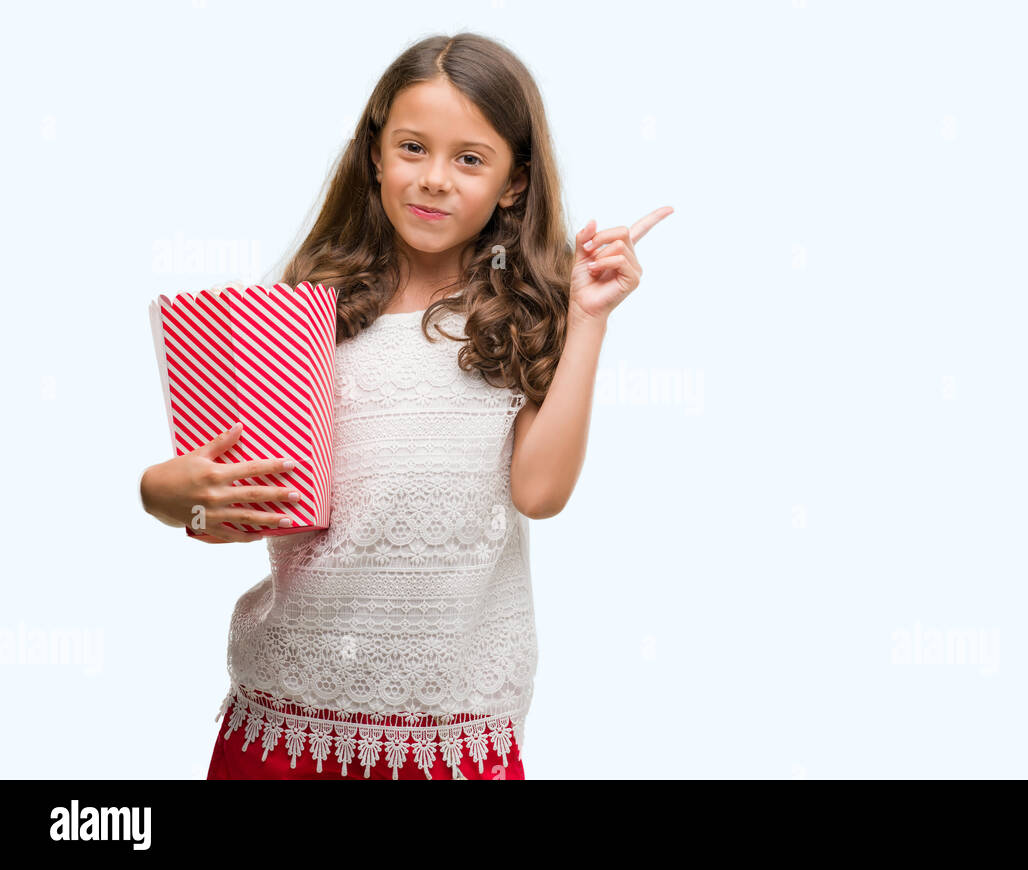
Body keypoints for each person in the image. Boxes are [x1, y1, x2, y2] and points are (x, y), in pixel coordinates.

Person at [138, 31, 672, 779]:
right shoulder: (309, 313)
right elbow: (240, 504)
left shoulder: (520, 318)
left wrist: (588, 319)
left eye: (469, 159)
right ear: (375, 155)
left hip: (450, 738)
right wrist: (163, 497)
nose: (434, 179)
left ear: (513, 183)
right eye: (413, 148)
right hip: (286, 725)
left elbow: (541, 493)